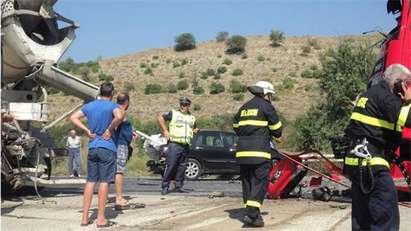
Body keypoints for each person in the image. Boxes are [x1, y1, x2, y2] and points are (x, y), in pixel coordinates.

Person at [344, 64, 411, 230]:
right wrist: (409, 100)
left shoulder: (371, 95)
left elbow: (382, 134)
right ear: (399, 83)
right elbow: (408, 118)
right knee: (386, 219)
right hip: (372, 166)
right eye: (408, 84)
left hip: (360, 165)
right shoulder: (385, 97)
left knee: (363, 222)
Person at [70, 82, 124, 228]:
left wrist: (86, 130)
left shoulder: (90, 106)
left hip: (93, 147)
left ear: (100, 92)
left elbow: (73, 117)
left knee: (90, 181)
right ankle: (101, 218)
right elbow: (119, 116)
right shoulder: (113, 106)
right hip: (107, 147)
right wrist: (110, 129)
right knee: (104, 181)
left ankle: (84, 217)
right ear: (112, 93)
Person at [232, 81, 282, 228]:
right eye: (270, 95)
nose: (271, 98)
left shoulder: (243, 108)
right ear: (266, 93)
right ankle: (253, 213)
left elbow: (236, 126)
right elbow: (277, 128)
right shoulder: (266, 106)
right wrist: (276, 135)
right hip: (260, 151)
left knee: (248, 183)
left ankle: (252, 215)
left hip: (242, 152)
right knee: (260, 182)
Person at [157, 96, 198, 195]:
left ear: (189, 106)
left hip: (185, 145)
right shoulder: (173, 113)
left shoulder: (192, 117)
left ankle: (178, 185)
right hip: (174, 144)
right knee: (171, 165)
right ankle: (165, 186)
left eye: (186, 105)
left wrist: (194, 131)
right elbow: (160, 117)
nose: (184, 106)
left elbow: (193, 128)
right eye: (182, 104)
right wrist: (165, 130)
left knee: (182, 167)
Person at [113, 93, 143, 210]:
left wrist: (131, 132)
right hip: (120, 145)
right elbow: (116, 123)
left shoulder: (115, 110)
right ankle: (119, 198)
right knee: (119, 171)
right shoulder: (120, 112)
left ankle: (106, 197)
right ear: (127, 102)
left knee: (111, 171)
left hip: (119, 143)